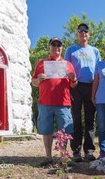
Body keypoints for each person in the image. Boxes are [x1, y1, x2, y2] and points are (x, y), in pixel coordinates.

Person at [32, 37, 77, 166]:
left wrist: (73, 79)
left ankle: (63, 157)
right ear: (49, 47)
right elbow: (34, 83)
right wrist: (39, 79)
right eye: (54, 45)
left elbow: (74, 85)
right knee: (46, 130)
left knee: (64, 131)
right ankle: (48, 157)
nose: (56, 47)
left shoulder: (68, 65)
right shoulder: (41, 63)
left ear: (62, 48)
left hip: (63, 103)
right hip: (45, 102)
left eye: (59, 45)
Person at [64, 23, 101, 162]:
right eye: (80, 31)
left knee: (90, 120)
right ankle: (76, 151)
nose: (83, 34)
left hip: (91, 86)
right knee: (76, 119)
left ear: (89, 35)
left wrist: (97, 89)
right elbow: (66, 68)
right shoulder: (71, 50)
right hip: (76, 87)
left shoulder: (95, 51)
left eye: (85, 32)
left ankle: (89, 151)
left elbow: (98, 72)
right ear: (77, 34)